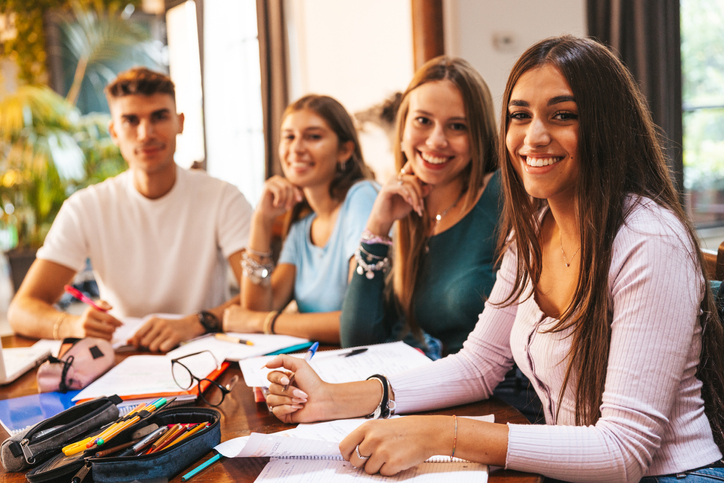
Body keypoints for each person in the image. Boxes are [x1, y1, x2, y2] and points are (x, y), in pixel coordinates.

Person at [264, 36, 724, 482]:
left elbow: (624, 452)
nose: (534, 136)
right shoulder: (534, 226)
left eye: (563, 115)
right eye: (520, 116)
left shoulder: (649, 239)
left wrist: (443, 434)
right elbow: (479, 365)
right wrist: (332, 398)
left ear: (607, 125)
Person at [8, 67, 252, 352]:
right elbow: (21, 309)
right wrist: (72, 325)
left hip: (209, 352)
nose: (146, 133)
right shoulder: (86, 206)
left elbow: (257, 300)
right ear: (114, 132)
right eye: (131, 120)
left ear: (180, 123)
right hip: (124, 358)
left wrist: (196, 322)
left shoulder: (223, 197)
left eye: (159, 117)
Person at [340, 56, 502, 359]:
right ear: (403, 129)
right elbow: (357, 340)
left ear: (478, 136)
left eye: (457, 126)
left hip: (495, 399)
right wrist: (378, 225)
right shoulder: (402, 211)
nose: (436, 140)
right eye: (423, 121)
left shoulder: (501, 192)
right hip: (419, 395)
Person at [222, 95, 377, 343]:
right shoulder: (302, 226)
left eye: (313, 136)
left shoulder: (362, 197)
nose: (296, 149)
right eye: (289, 137)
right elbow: (259, 307)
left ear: (345, 150)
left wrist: (259, 322)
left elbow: (355, 323)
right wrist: (261, 220)